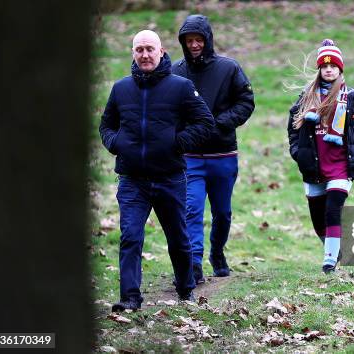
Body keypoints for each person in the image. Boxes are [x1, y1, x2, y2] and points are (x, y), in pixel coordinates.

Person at [99, 30, 214, 311]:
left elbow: (205, 121)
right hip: (132, 180)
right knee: (130, 237)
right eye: (139, 50)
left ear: (161, 51)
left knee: (177, 237)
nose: (145, 55)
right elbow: (106, 125)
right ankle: (130, 298)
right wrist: (117, 144)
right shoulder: (121, 88)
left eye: (150, 49)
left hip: (170, 178)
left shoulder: (181, 87)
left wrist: (177, 143)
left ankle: (186, 289)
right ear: (133, 54)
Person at [172, 14, 255, 283]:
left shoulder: (229, 68)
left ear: (208, 40)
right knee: (192, 208)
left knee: (222, 212)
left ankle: (217, 252)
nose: (194, 45)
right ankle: (193, 262)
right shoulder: (176, 72)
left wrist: (219, 124)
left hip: (223, 154)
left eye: (198, 39)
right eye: (189, 40)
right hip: (190, 157)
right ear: (183, 43)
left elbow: (246, 102)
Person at [287, 39, 354, 273]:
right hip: (314, 165)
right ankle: (333, 249)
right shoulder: (306, 98)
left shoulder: (352, 98)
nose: (329, 69)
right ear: (319, 69)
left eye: (333, 66)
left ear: (340, 69)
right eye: (324, 66)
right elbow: (293, 129)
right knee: (317, 218)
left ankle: (329, 262)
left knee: (333, 208)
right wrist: (297, 153)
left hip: (341, 165)